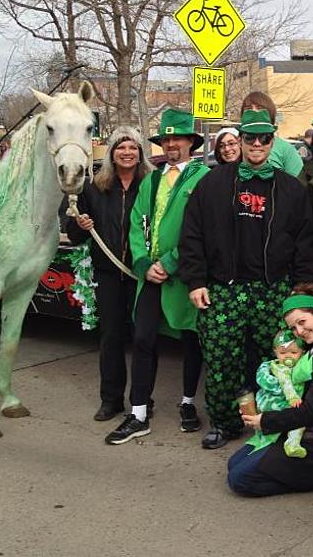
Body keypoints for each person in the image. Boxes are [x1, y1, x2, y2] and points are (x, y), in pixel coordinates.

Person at [179, 109, 313, 450]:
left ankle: (272, 422)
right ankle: (224, 423)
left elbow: (304, 241)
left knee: (278, 362)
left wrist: (303, 287)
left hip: (273, 288)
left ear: (273, 142)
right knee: (221, 356)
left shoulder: (291, 189)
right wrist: (196, 280)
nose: (257, 144)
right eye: (250, 138)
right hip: (224, 287)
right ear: (239, 141)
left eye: (264, 138)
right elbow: (192, 234)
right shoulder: (212, 183)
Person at [105, 109, 209, 445]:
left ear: (191, 142)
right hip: (149, 276)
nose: (172, 144)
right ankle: (137, 412)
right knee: (143, 339)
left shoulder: (203, 178)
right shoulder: (151, 179)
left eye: (177, 138)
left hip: (184, 275)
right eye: (166, 139)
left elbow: (202, 230)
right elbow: (136, 223)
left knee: (191, 338)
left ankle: (188, 402)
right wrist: (141, 262)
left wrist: (172, 262)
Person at [67, 126, 154, 422]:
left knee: (144, 338)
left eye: (132, 147)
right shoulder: (95, 188)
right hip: (108, 274)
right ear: (111, 153)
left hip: (142, 275)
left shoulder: (151, 186)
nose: (127, 152)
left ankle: (143, 399)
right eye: (121, 147)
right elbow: (75, 235)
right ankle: (111, 399)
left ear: (140, 153)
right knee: (111, 338)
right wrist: (81, 225)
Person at [227, 292, 313, 496]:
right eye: (293, 327)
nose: (299, 331)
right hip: (298, 424)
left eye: (302, 322)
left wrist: (266, 421)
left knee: (239, 480)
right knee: (234, 464)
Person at [249, 329, 310, 458]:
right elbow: (285, 382)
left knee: (298, 424)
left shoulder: (299, 366)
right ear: (275, 352)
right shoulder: (278, 367)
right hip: (276, 403)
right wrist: (292, 396)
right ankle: (287, 442)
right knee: (295, 421)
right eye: (282, 352)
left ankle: (292, 444)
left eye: (294, 352)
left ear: (302, 353)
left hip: (283, 405)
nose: (287, 356)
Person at [240, 91, 303, 176]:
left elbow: (295, 184)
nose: (254, 112)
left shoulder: (286, 150)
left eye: (259, 108)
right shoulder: (233, 146)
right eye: (248, 109)